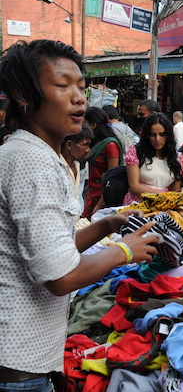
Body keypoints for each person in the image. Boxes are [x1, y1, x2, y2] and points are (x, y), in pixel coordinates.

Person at [0, 39, 157, 392]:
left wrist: (107, 225)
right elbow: (59, 275)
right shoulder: (32, 161)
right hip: (17, 366)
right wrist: (125, 250)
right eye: (62, 85)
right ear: (22, 93)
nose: (79, 98)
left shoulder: (34, 153)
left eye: (81, 87)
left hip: (21, 360)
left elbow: (48, 247)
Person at [123, 112, 183, 205]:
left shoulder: (177, 157)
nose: (157, 139)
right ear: (147, 136)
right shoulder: (135, 152)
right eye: (153, 135)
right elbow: (134, 186)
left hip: (165, 205)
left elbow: (175, 189)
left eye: (162, 134)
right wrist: (164, 194)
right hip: (137, 204)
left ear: (168, 135)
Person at [82, 106, 122, 219]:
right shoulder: (96, 144)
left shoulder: (110, 146)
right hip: (91, 195)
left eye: (85, 124)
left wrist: (101, 204)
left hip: (101, 200)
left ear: (93, 125)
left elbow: (112, 178)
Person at [60, 125, 93, 215]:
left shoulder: (77, 165)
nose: (88, 150)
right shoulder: (56, 168)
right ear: (69, 145)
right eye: (85, 145)